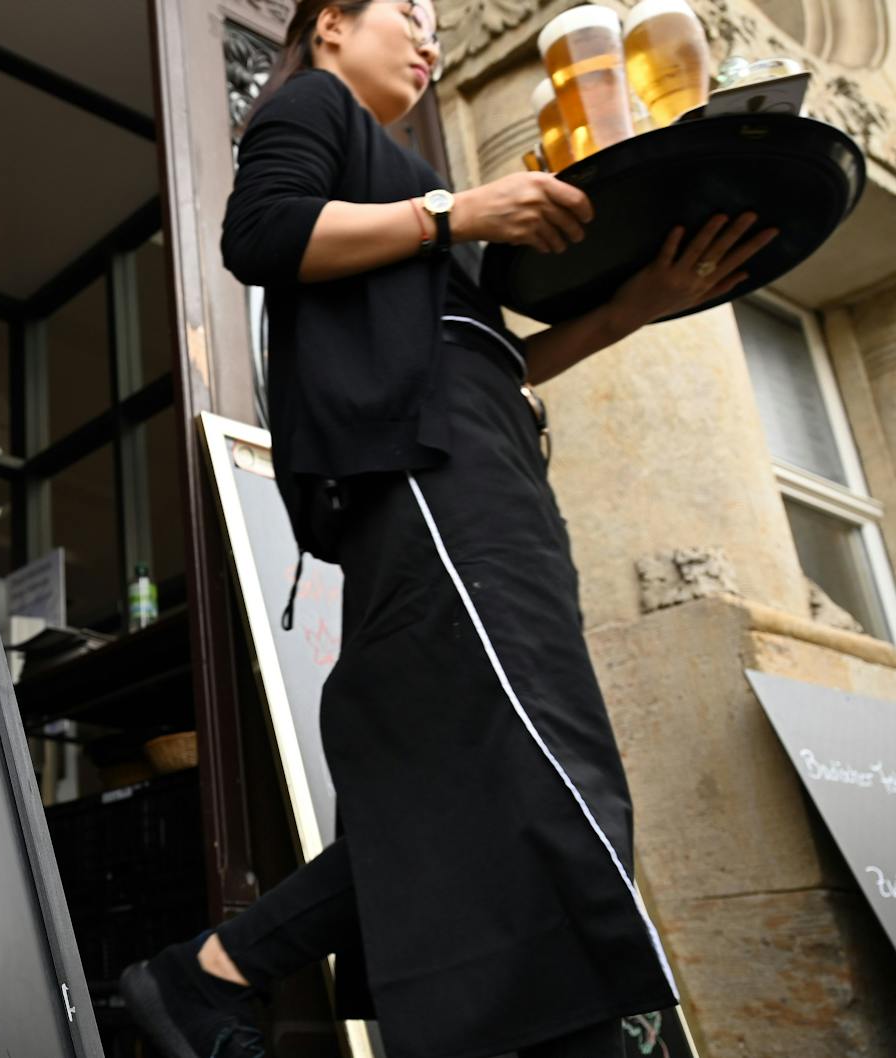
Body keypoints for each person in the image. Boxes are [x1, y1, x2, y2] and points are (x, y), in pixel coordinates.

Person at [118, 1, 778, 1057]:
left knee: (472, 774)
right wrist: (455, 212)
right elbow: (260, 234)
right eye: (405, 13)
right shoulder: (313, 107)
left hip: (487, 466)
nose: (428, 40)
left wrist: (629, 308)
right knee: (541, 749)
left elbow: (484, 356)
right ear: (330, 23)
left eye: (438, 23)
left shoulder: (412, 185)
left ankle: (201, 978)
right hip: (423, 474)